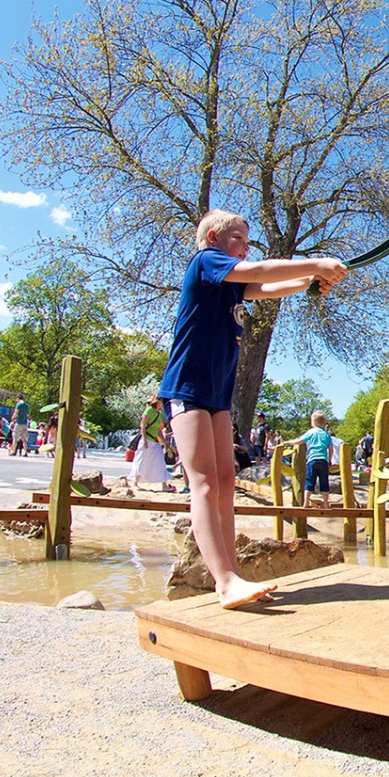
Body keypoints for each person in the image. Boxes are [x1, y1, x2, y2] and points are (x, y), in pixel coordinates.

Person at [158, 209, 346, 609]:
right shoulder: (206, 262)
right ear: (214, 238)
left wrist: (311, 281)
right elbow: (258, 270)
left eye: (247, 241)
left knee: (226, 482)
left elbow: (268, 287)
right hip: (187, 388)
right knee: (204, 483)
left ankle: (232, 575)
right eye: (239, 239)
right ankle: (224, 581)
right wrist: (316, 263)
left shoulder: (230, 286)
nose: (245, 247)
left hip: (217, 395)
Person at [286, 410, 339, 508]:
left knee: (309, 481)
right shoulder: (326, 434)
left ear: (313, 422)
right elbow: (331, 449)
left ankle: (306, 502)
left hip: (312, 460)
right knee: (324, 482)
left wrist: (287, 442)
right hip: (323, 460)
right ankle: (326, 503)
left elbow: (299, 441)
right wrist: (329, 460)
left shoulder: (311, 432)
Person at [130, 396, 172, 492]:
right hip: (147, 439)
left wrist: (164, 441)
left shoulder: (159, 414)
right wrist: (144, 440)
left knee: (160, 461)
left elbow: (158, 430)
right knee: (141, 460)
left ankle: (164, 485)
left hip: (155, 441)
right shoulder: (149, 410)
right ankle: (135, 482)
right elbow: (143, 426)